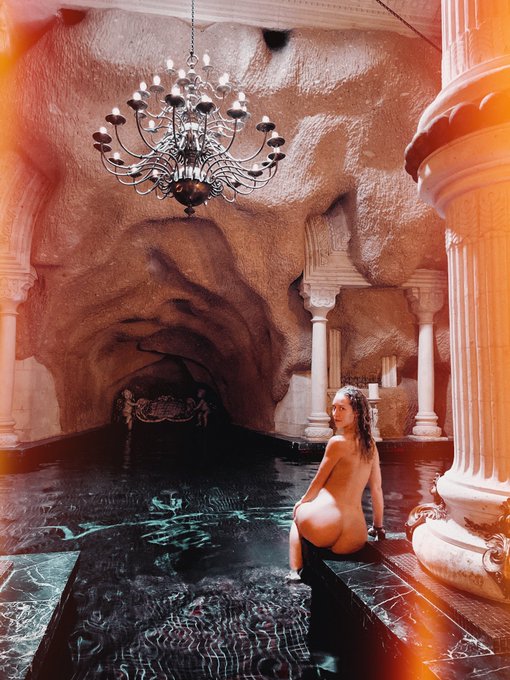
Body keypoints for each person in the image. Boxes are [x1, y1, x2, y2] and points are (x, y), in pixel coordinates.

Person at [288, 385, 384, 581]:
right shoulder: (371, 446)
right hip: (355, 535)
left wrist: (301, 502)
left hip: (326, 525)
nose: (335, 413)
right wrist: (378, 526)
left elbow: (318, 481)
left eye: (342, 408)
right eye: (333, 408)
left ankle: (294, 571)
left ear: (356, 413)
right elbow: (376, 489)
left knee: (296, 517)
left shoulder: (337, 442)